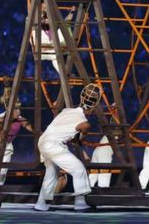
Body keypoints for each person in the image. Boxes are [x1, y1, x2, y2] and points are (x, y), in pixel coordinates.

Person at [34, 83, 101, 212]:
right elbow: (81, 137)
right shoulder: (85, 123)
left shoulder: (67, 111)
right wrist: (79, 139)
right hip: (53, 145)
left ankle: (40, 204)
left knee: (51, 173)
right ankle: (80, 204)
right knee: (79, 169)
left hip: (43, 141)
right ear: (92, 108)